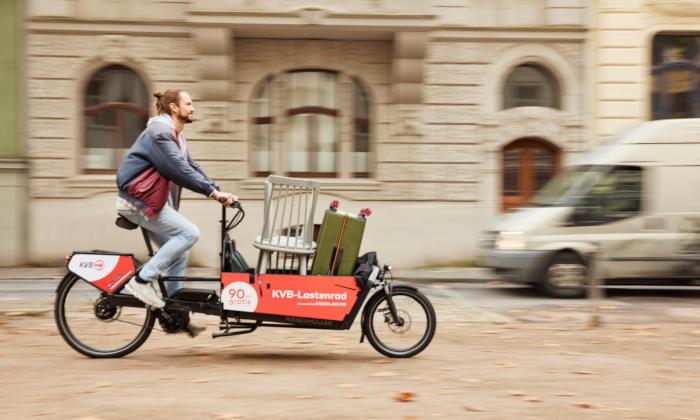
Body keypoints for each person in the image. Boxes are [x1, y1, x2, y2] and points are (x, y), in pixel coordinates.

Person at [116, 89, 236, 334]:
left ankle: (174, 312)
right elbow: (179, 170)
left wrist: (218, 190)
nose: (193, 109)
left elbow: (191, 166)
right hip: (139, 202)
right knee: (189, 233)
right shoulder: (160, 133)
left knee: (179, 250)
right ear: (174, 107)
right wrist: (212, 194)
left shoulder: (176, 136)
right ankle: (141, 280)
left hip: (152, 203)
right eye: (189, 104)